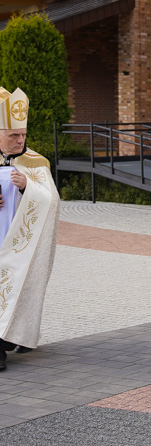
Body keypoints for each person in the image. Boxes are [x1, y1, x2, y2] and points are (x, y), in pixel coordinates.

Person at [0, 87, 60, 372]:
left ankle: (9, 338)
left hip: (18, 249)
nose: (20, 140)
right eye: (13, 135)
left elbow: (52, 199)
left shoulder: (34, 162)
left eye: (22, 135)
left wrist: (27, 187)